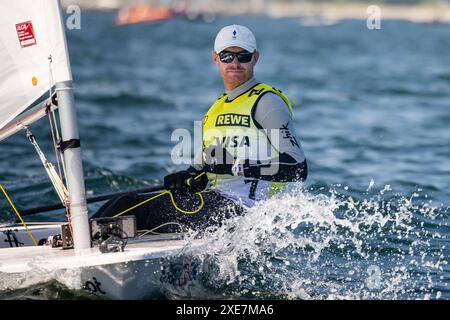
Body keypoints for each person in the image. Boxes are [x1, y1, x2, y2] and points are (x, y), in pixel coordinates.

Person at [91, 24, 307, 233]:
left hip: (243, 212)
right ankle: (81, 243)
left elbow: (298, 167)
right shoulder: (215, 110)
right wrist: (184, 178)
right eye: (226, 56)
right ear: (215, 58)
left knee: (129, 208)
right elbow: (204, 172)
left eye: (243, 56)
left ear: (255, 58)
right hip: (216, 204)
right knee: (121, 202)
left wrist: (237, 167)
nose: (234, 62)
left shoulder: (267, 102)